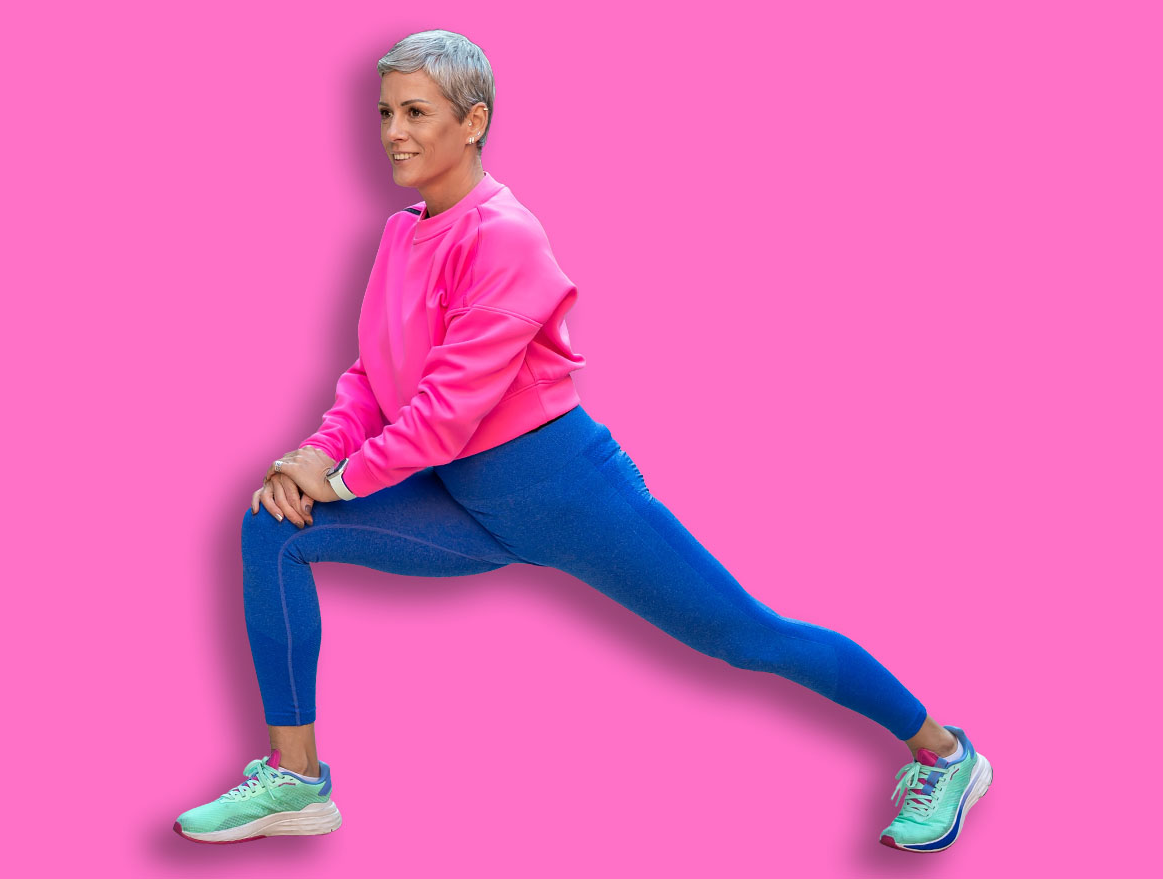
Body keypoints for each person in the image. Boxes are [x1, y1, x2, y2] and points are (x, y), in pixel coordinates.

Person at [173, 29, 992, 853]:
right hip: (467, 503)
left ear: (473, 120)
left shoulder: (505, 237)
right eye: (385, 111)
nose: (393, 131)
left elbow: (447, 408)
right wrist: (313, 456)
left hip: (567, 495)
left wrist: (338, 479)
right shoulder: (398, 236)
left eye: (416, 111)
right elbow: (374, 375)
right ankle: (297, 779)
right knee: (272, 530)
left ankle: (943, 751)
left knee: (749, 636)